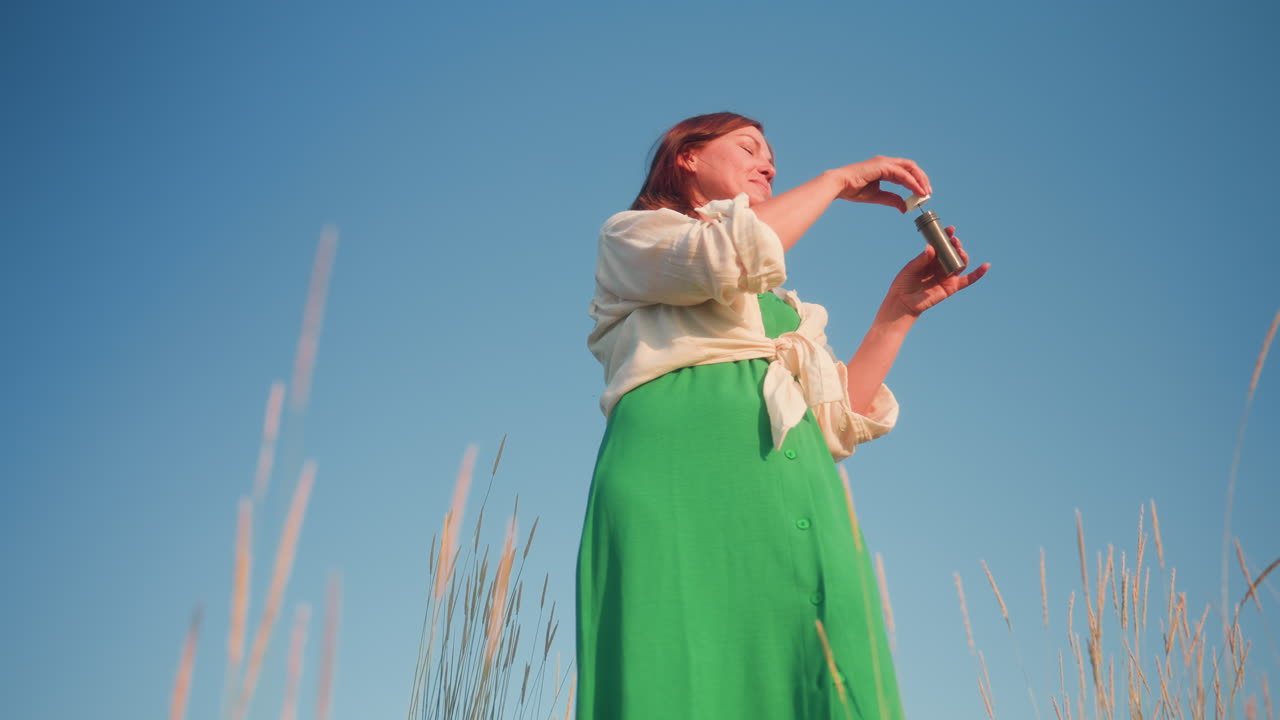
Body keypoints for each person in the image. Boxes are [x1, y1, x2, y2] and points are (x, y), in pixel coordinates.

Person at [576, 112, 989, 719]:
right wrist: (838, 180)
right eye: (748, 147)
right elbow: (724, 256)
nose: (768, 162)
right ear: (686, 157)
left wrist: (899, 312)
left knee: (825, 662)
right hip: (679, 488)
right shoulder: (636, 238)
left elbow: (837, 421)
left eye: (771, 155)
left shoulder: (783, 309)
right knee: (678, 663)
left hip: (795, 491)